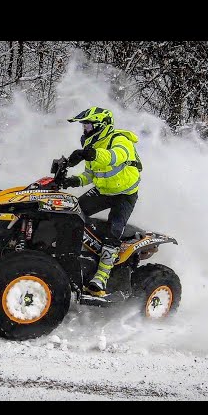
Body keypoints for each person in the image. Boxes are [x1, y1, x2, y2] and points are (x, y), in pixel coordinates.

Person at [62, 106, 142, 295]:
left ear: (101, 125)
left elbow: (114, 157)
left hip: (125, 194)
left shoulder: (120, 139)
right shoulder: (93, 146)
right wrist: (71, 181)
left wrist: (88, 154)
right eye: (84, 127)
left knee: (113, 232)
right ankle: (74, 255)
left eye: (88, 126)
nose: (85, 130)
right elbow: (90, 175)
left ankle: (101, 279)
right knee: (72, 212)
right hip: (103, 191)